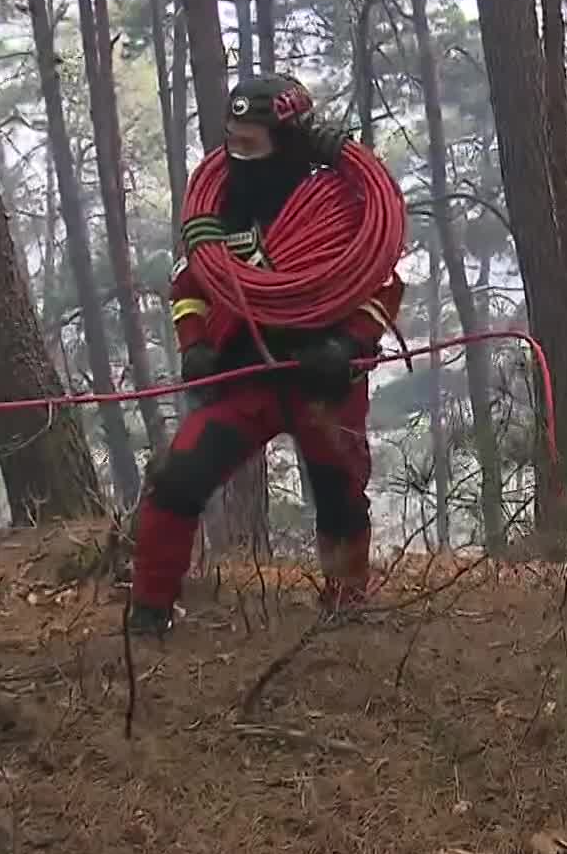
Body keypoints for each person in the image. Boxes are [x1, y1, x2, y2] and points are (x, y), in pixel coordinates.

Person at [127, 74, 405, 637]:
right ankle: (149, 613)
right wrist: (197, 345)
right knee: (179, 478)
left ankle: (346, 611)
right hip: (244, 376)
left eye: (252, 144)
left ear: (291, 140)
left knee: (340, 496)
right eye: (232, 141)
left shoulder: (340, 204)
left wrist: (348, 344)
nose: (237, 156)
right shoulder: (220, 206)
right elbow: (191, 288)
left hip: (324, 378)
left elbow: (382, 285)